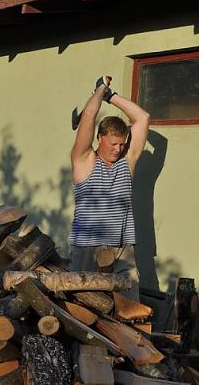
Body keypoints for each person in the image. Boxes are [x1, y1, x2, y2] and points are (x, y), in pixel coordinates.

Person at [69, 76, 150, 301]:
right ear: (100, 137)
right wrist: (100, 88)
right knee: (83, 307)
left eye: (122, 143)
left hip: (122, 248)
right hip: (88, 248)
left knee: (131, 308)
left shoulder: (127, 161)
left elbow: (143, 118)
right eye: (113, 143)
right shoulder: (84, 160)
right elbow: (88, 116)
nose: (118, 149)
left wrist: (111, 96)